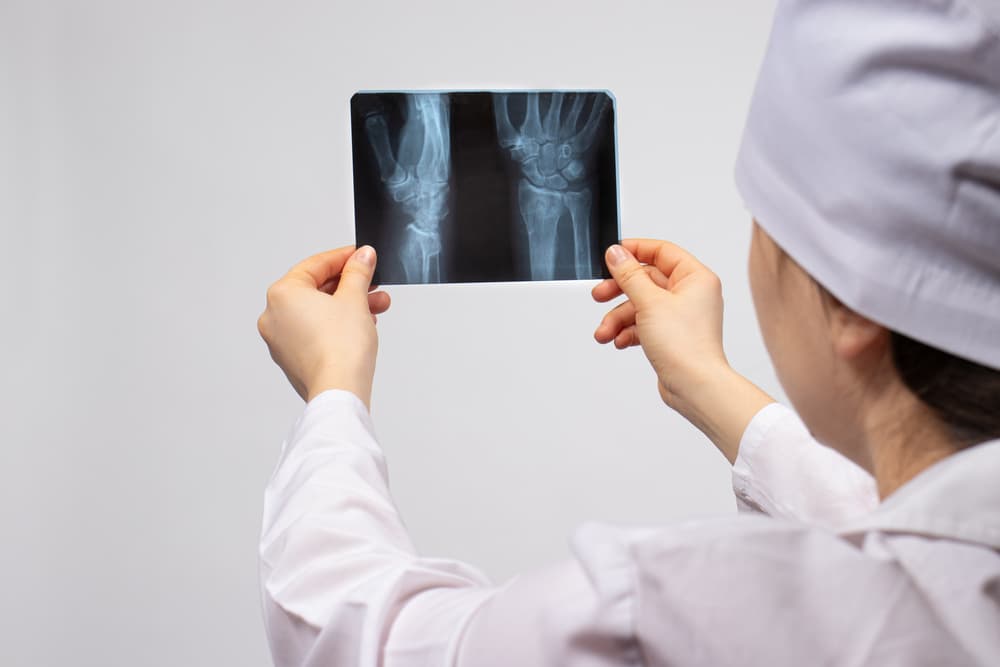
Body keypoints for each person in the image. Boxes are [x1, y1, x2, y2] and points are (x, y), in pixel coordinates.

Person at [255, 0, 1000, 664]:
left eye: (768, 230)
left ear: (854, 308)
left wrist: (333, 392)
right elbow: (904, 543)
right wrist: (707, 380)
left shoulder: (670, 615)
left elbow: (360, 638)